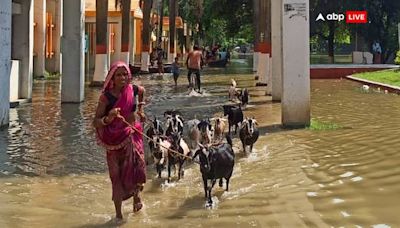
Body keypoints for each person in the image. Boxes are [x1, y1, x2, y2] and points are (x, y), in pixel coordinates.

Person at [93, 61, 147, 220]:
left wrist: (141, 110)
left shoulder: (132, 89)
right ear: (112, 78)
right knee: (116, 177)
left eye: (125, 74)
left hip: (132, 134)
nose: (123, 77)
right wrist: (108, 118)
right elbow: (95, 121)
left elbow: (143, 90)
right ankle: (118, 215)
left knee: (138, 167)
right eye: (118, 75)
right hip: (114, 141)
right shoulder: (106, 97)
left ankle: (137, 197)